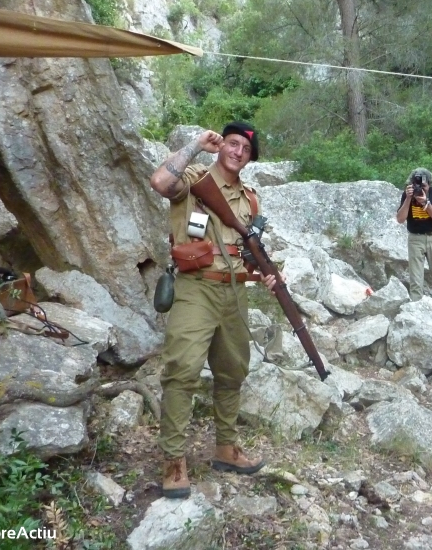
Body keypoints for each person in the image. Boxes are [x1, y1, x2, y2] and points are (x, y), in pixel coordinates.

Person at [149, 122, 278, 499]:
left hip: (234, 293)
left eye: (246, 149)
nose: (238, 151)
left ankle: (226, 447)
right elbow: (160, 182)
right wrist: (195, 145)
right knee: (182, 370)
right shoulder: (192, 178)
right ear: (221, 146)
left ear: (251, 158)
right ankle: (173, 460)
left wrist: (266, 275)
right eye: (232, 143)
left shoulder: (251, 199)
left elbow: (245, 250)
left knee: (233, 370)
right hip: (195, 288)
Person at [396, 167, 432, 304]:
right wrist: (408, 198)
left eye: (423, 186)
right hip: (415, 239)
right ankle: (415, 311)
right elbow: (400, 219)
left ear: (429, 185)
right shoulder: (407, 195)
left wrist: (426, 202)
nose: (420, 189)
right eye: (416, 185)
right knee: (415, 280)